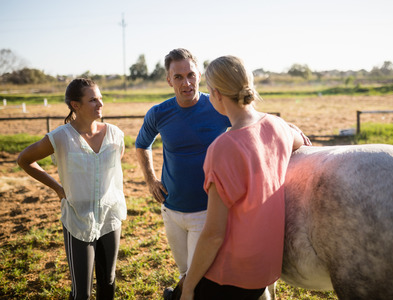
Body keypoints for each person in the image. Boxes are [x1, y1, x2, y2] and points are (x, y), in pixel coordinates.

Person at [180, 56, 312, 300]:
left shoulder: (222, 148)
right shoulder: (278, 126)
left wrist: (188, 287)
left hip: (230, 273)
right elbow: (303, 141)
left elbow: (214, 234)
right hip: (265, 269)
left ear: (217, 94)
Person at [17, 78, 127, 300]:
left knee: (108, 282)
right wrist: (58, 188)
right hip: (78, 220)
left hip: (109, 218)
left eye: (101, 99)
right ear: (75, 105)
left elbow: (114, 167)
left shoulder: (116, 134)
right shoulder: (61, 137)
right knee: (82, 294)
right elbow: (24, 159)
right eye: (93, 100)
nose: (100, 104)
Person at [135, 49, 231, 296]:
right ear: (169, 80)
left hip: (206, 211)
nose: (186, 82)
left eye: (191, 74)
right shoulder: (159, 112)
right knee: (185, 272)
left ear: (199, 74)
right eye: (178, 77)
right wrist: (150, 180)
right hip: (171, 210)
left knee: (197, 277)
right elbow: (142, 144)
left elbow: (248, 128)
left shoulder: (219, 105)